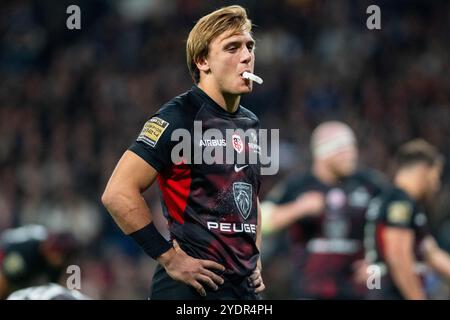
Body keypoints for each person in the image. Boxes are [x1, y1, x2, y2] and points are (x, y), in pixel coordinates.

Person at [102, 5, 265, 300]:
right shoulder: (178, 117)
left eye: (249, 46)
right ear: (203, 61)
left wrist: (255, 256)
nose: (247, 56)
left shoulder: (250, 122)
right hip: (192, 288)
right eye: (232, 48)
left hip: (243, 289)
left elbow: (249, 199)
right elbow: (117, 192)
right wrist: (168, 257)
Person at [261, 121, 386, 299]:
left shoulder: (370, 184)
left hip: (359, 290)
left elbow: (399, 228)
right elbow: (261, 220)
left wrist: (379, 265)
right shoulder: (298, 185)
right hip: (309, 290)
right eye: (343, 149)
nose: (352, 155)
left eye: (352, 148)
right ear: (323, 153)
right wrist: (298, 208)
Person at [364, 139, 450, 299]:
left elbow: (431, 253)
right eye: (436, 174)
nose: (436, 183)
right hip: (390, 293)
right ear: (424, 170)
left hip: (379, 289)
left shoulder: (391, 200)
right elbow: (398, 256)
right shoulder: (399, 203)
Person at [0, 224, 79, 299]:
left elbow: (54, 287)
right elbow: (4, 277)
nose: (60, 260)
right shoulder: (25, 252)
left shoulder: (54, 261)